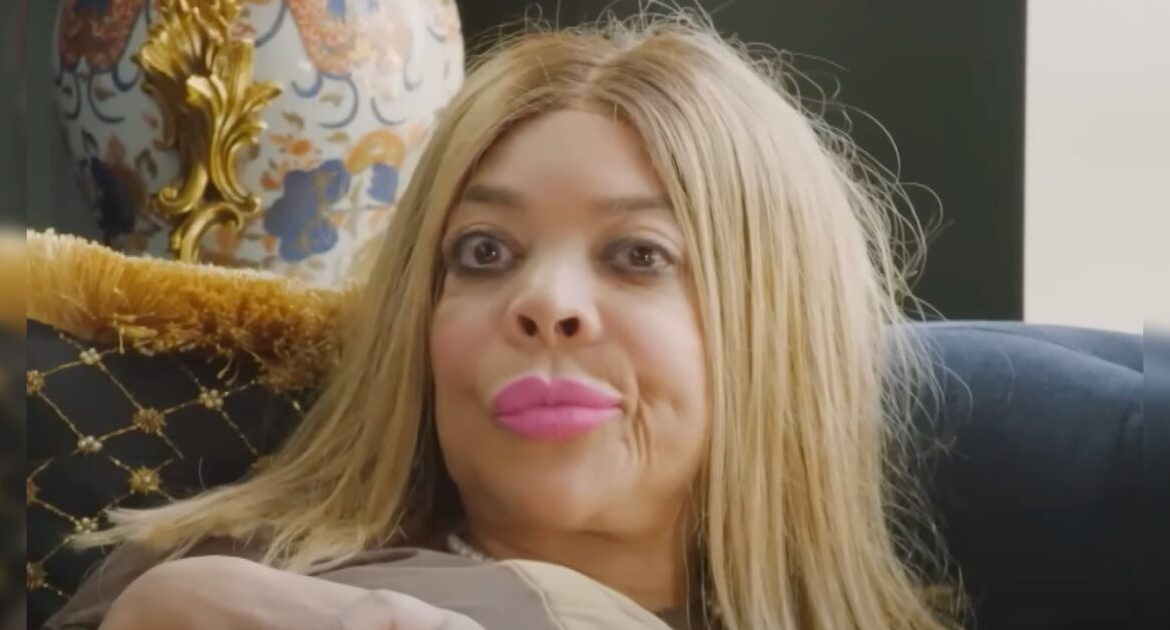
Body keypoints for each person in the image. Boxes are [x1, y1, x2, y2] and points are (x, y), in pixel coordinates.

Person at [46, 10, 958, 630]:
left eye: (638, 255)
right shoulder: (215, 590)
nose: (545, 302)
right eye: (484, 252)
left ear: (776, 330)